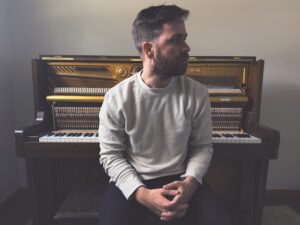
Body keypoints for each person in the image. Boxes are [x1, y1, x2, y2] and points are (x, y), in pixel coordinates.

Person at [98, 4, 232, 225]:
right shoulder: (117, 98)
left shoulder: (197, 93)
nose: (187, 47)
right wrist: (143, 195)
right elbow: (111, 156)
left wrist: (189, 185)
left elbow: (202, 146)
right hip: (134, 181)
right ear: (149, 49)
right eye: (176, 40)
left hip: (182, 181)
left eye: (185, 38)